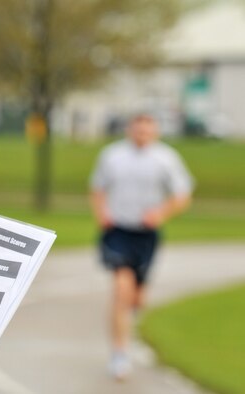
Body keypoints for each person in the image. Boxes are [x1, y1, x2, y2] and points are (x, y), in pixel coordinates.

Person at [89, 113, 193, 380]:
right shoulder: (112, 155)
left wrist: (162, 212)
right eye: (138, 131)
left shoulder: (166, 158)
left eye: (147, 132)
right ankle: (119, 354)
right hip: (118, 230)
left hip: (146, 234)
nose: (142, 136)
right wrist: (102, 214)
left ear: (155, 132)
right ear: (130, 131)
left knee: (137, 298)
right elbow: (97, 188)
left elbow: (183, 194)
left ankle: (128, 326)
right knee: (121, 291)